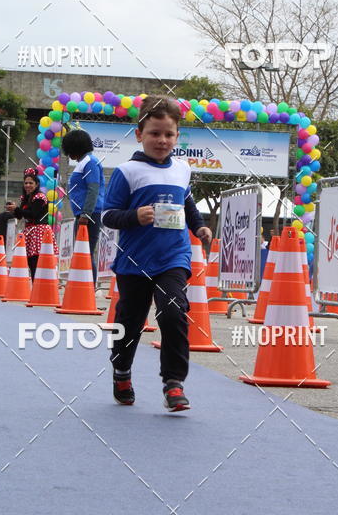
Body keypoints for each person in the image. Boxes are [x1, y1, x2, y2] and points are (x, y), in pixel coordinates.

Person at [102, 94, 212, 412]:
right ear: (139, 134)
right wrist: (134, 217)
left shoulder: (182, 169)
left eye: (168, 134)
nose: (162, 140)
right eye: (154, 133)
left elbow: (187, 204)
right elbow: (109, 215)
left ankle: (173, 383)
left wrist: (199, 226)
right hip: (135, 262)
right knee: (130, 322)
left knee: (174, 312)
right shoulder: (128, 171)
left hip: (173, 258)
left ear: (177, 136)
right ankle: (121, 372)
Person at [62, 128, 105, 284]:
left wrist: (86, 214)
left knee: (86, 252)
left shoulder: (90, 162)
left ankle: (89, 289)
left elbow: (93, 189)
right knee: (81, 251)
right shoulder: (82, 163)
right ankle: (82, 286)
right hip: (81, 214)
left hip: (88, 215)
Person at [13, 168, 57, 280]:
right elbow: (20, 216)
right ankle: (35, 286)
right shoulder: (25, 198)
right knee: (31, 262)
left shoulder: (40, 197)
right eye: (26, 183)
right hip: (29, 232)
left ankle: (39, 286)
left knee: (37, 261)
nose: (28, 185)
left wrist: (17, 209)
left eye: (30, 183)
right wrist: (14, 210)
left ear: (36, 184)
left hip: (39, 231)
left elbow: (33, 214)